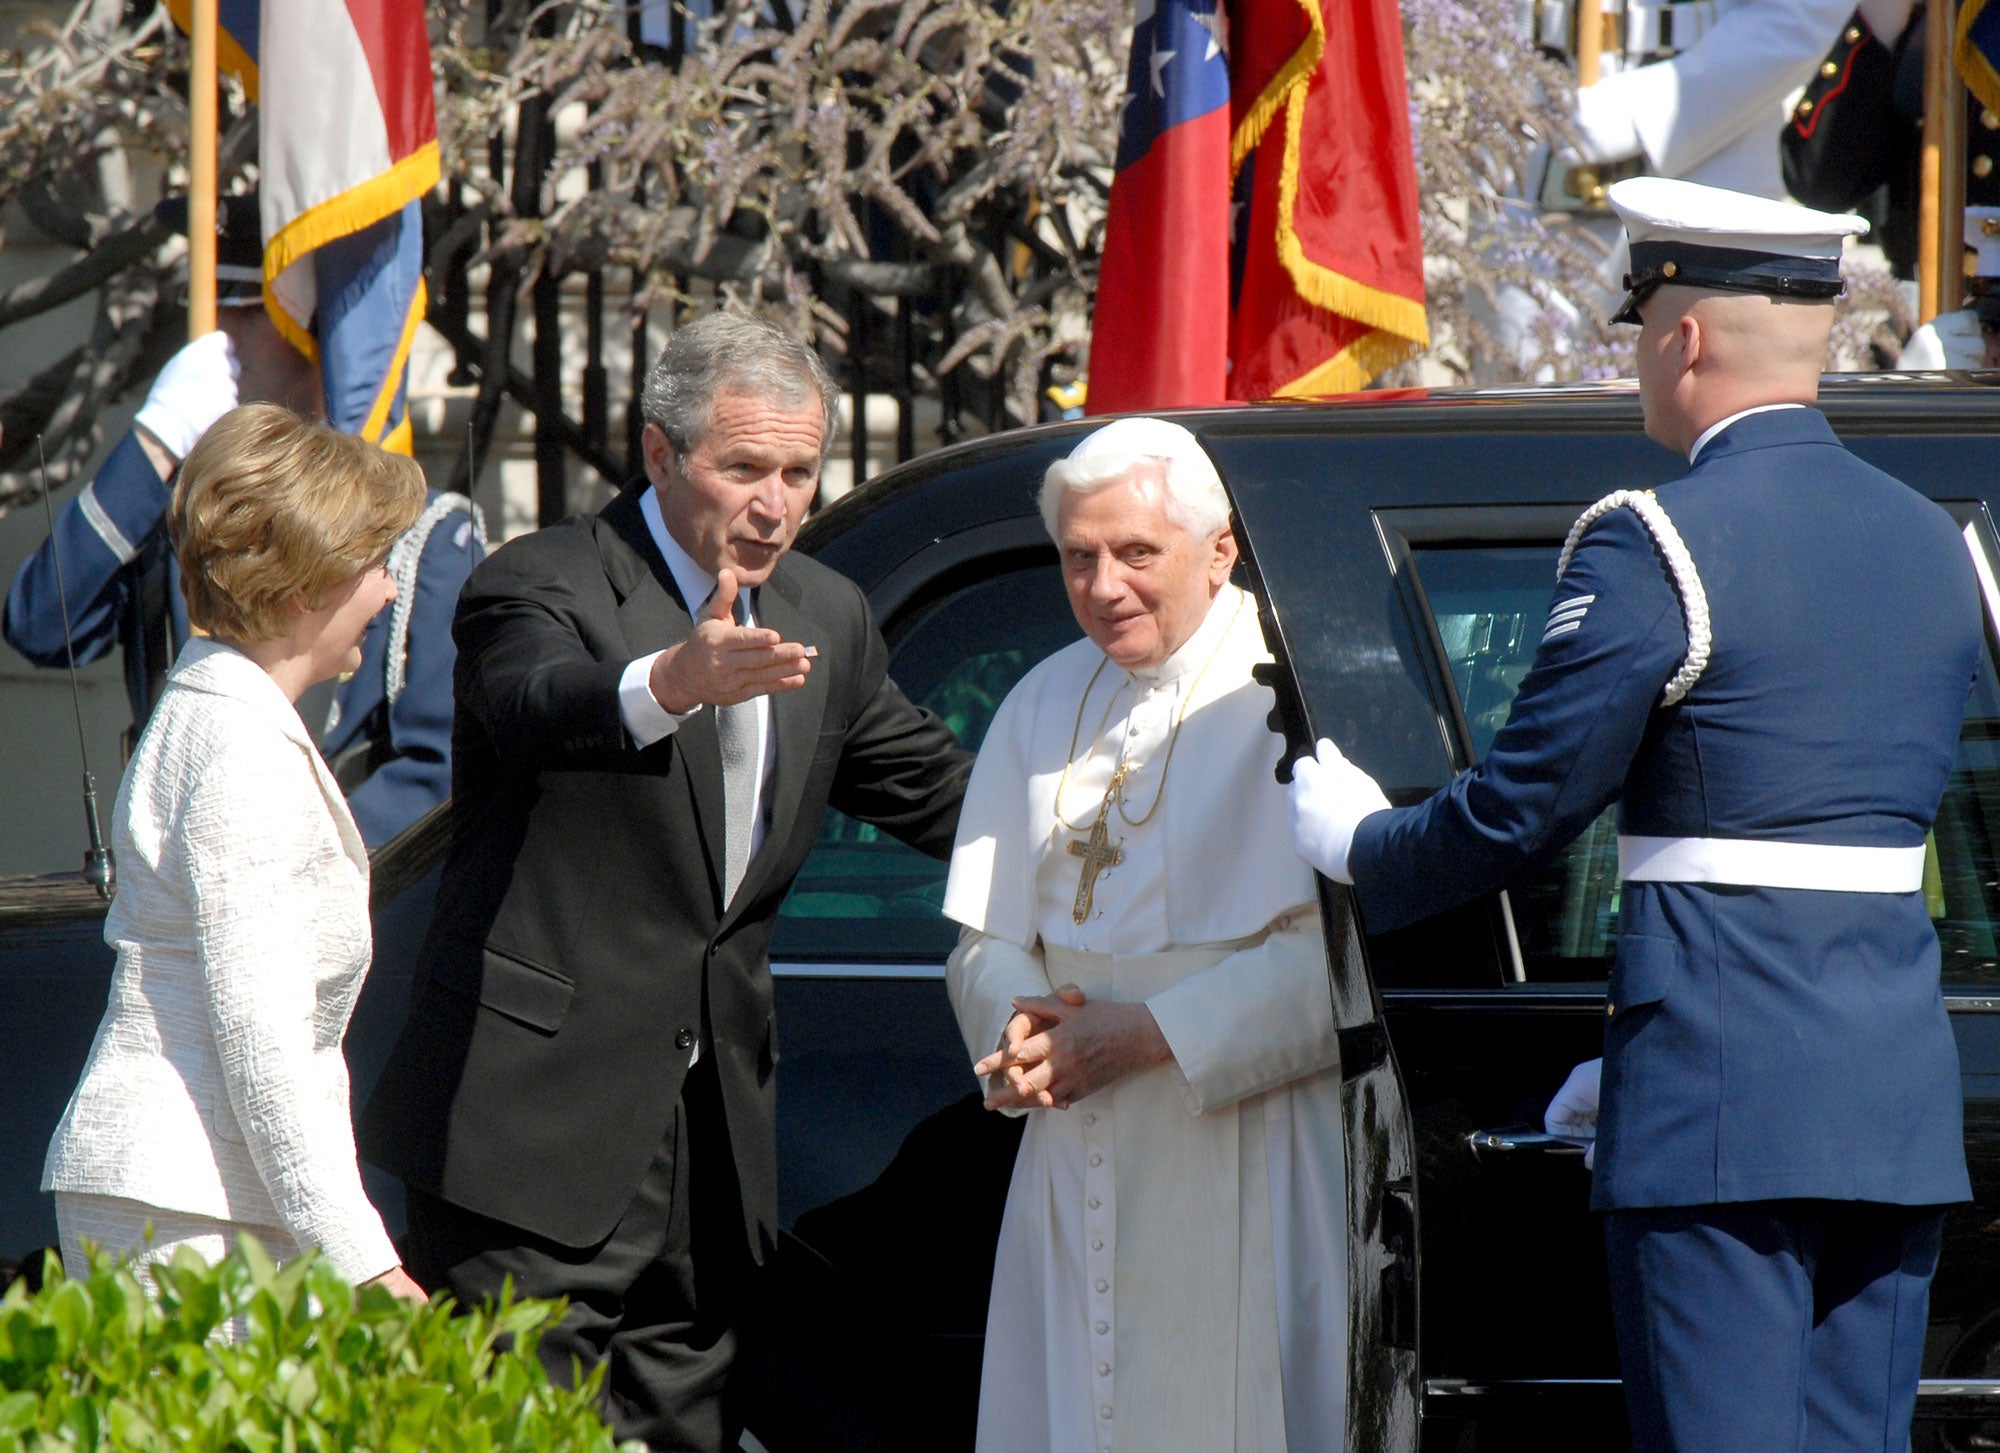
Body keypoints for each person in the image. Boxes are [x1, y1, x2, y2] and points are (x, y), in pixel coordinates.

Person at [1288, 176, 1978, 1452]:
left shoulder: (1654, 538)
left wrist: (1357, 844)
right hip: (1887, 1096)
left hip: (1714, 1096)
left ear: (1684, 337)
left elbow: (1522, 807)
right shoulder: (1934, 541)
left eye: (1639, 329)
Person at [356, 312, 975, 1450]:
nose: (775, 504)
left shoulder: (824, 614)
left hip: (714, 1157)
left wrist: (1157, 822)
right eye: (744, 468)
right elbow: (537, 704)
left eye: (799, 472)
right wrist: (672, 681)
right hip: (532, 1145)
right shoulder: (538, 580)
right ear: (659, 453)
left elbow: (948, 796)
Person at [942, 417, 1345, 1452]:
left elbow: (1340, 965)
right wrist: (1016, 1034)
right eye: (1078, 557)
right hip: (1074, 1136)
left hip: (1244, 1135)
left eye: (1134, 552)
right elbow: (983, 939)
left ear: (1218, 552)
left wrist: (1149, 1032)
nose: (1103, 586)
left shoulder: (1297, 694)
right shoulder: (1039, 699)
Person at [41, 403, 429, 1310]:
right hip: (188, 1205)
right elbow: (262, 1039)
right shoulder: (240, 743)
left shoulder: (215, 709)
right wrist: (363, 1259)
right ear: (303, 586)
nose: (388, 590)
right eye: (373, 563)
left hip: (182, 1193)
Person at [2, 194, 482, 845]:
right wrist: (152, 446)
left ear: (320, 329)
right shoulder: (182, 506)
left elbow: (437, 773)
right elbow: (40, 625)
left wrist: (277, 852)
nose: (215, 331)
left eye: (251, 309)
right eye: (208, 304)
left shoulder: (424, 536)